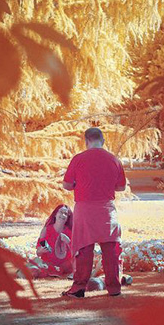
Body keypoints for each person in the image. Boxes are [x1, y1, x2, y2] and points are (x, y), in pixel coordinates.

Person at [60, 126, 131, 298]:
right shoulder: (114, 159)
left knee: (84, 249)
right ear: (103, 140)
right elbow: (121, 186)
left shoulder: (78, 159)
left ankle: (78, 288)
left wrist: (80, 186)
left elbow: (67, 185)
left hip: (85, 209)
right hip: (106, 209)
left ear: (86, 141)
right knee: (110, 249)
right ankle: (114, 288)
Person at [27, 204, 74, 278]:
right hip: (49, 264)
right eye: (61, 212)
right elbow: (38, 253)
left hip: (66, 266)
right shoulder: (46, 230)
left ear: (68, 218)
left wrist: (68, 242)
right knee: (36, 265)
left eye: (66, 214)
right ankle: (53, 272)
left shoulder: (71, 232)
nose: (63, 215)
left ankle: (60, 272)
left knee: (78, 261)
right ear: (55, 214)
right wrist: (41, 251)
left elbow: (76, 252)